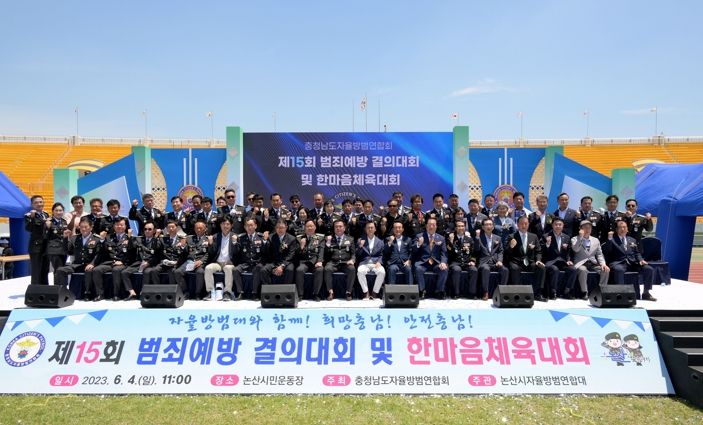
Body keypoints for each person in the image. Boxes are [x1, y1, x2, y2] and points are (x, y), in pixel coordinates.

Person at [603, 220, 657, 301]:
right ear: (616, 229)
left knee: (648, 269)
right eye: (620, 227)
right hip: (619, 263)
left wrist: (641, 260)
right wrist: (609, 239)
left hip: (632, 263)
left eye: (624, 227)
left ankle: (646, 293)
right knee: (619, 270)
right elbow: (607, 250)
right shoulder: (612, 239)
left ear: (627, 229)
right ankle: (620, 293)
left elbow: (637, 253)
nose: (622, 229)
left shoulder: (632, 240)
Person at [54, 217, 104, 300]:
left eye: (86, 227)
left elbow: (99, 254)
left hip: (90, 264)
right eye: (81, 227)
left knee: (88, 270)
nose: (83, 229)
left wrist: (92, 263)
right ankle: (62, 293)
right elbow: (67, 251)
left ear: (91, 227)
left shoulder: (97, 239)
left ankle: (87, 293)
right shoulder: (75, 238)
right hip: (77, 264)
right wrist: (65, 238)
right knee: (60, 270)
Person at [90, 217, 136, 301]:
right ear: (114, 226)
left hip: (123, 262)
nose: (119, 226)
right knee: (96, 270)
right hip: (110, 262)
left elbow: (132, 253)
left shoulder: (130, 237)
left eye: (121, 225)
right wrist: (102, 240)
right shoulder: (108, 237)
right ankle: (100, 294)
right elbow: (101, 251)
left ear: (125, 226)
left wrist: (122, 261)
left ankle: (116, 294)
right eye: (117, 225)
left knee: (116, 270)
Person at [505, 216, 547, 301]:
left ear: (528, 224)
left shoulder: (534, 236)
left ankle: (537, 293)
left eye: (526, 224)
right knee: (514, 268)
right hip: (516, 262)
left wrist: (538, 260)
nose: (523, 226)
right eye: (521, 224)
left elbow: (538, 251)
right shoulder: (512, 236)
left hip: (530, 262)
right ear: (517, 225)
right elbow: (506, 253)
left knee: (541, 268)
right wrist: (511, 247)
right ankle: (517, 293)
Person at [119, 223, 162, 300]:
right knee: (124, 272)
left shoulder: (157, 240)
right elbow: (131, 247)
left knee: (147, 272)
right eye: (145, 229)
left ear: (154, 230)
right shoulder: (139, 239)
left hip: (151, 262)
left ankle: (143, 292)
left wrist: (148, 263)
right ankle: (132, 293)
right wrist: (129, 237)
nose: (147, 231)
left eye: (149, 229)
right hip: (140, 262)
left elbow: (157, 254)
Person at [143, 220, 189, 288]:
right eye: (169, 227)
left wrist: (182, 246)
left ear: (177, 228)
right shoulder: (163, 239)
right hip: (165, 262)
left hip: (176, 262)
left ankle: (176, 291)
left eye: (172, 227)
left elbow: (186, 253)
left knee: (172, 272)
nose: (171, 229)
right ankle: (157, 289)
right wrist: (156, 236)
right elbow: (154, 247)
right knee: (154, 271)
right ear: (167, 229)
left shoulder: (182, 239)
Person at [172, 220, 211, 299]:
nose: (198, 230)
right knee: (177, 272)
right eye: (196, 228)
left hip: (201, 262)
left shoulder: (208, 239)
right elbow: (185, 251)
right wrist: (182, 246)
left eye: (200, 228)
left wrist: (201, 261)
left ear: (205, 229)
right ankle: (185, 292)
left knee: (200, 272)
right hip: (189, 262)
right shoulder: (189, 238)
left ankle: (198, 293)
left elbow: (209, 253)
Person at [571, 220, 610, 299]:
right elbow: (576, 249)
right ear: (580, 229)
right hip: (581, 263)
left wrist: (603, 264)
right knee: (582, 270)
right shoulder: (574, 239)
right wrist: (580, 237)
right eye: (585, 227)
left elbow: (599, 254)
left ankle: (601, 291)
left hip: (592, 263)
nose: (588, 229)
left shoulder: (596, 240)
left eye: (589, 227)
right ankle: (584, 292)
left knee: (606, 270)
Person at [541, 218, 577, 299]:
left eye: (560, 225)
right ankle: (553, 292)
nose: (558, 226)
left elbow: (569, 251)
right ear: (552, 225)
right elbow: (542, 252)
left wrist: (569, 260)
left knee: (573, 270)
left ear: (563, 226)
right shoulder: (546, 236)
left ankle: (567, 291)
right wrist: (547, 244)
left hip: (563, 262)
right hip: (550, 261)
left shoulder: (567, 237)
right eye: (556, 224)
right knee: (555, 269)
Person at [413, 217, 448, 299]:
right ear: (426, 226)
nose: (431, 227)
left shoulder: (441, 238)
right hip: (423, 263)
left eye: (433, 225)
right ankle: (422, 291)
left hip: (436, 263)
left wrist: (443, 262)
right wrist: (418, 244)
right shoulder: (419, 236)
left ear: (436, 226)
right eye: (429, 225)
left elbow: (444, 253)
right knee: (418, 269)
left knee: (444, 270)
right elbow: (413, 250)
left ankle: (439, 291)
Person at [204, 216, 239, 301]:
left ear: (231, 225)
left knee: (228, 268)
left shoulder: (235, 236)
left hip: (229, 263)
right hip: (218, 263)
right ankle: (210, 292)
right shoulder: (216, 236)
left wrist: (235, 242)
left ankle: (227, 292)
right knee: (208, 268)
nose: (225, 226)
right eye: (223, 224)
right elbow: (212, 253)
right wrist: (210, 244)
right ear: (220, 225)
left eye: (227, 224)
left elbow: (237, 253)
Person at [474, 218, 509, 299]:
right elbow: (476, 250)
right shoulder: (479, 237)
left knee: (505, 270)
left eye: (490, 224)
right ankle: (485, 292)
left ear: (493, 227)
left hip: (495, 262)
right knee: (486, 269)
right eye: (486, 225)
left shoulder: (498, 238)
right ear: (483, 227)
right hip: (484, 262)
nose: (488, 226)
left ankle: (502, 292)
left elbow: (500, 251)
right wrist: (477, 237)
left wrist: (500, 260)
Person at [323, 220, 356, 301]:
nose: (338, 228)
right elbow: (325, 254)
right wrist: (328, 243)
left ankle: (348, 292)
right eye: (336, 227)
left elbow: (353, 253)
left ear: (344, 228)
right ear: (334, 229)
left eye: (340, 226)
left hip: (346, 262)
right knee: (327, 269)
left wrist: (352, 260)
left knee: (352, 269)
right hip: (333, 262)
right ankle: (330, 292)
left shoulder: (350, 239)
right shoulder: (329, 238)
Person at [261, 220, 298, 288]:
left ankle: (286, 290)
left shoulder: (292, 239)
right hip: (274, 262)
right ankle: (268, 289)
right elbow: (266, 252)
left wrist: (282, 266)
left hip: (286, 262)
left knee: (290, 269)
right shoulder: (271, 237)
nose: (280, 229)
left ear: (286, 227)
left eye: (282, 228)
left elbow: (291, 255)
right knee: (264, 270)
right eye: (277, 228)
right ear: (275, 228)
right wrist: (265, 241)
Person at [447, 220, 478, 299]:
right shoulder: (451, 238)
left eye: (462, 226)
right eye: (459, 226)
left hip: (467, 262)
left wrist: (472, 261)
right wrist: (451, 242)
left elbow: (474, 252)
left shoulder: (469, 239)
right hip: (455, 262)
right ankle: (456, 293)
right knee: (456, 270)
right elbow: (448, 252)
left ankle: (472, 293)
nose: (461, 228)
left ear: (465, 227)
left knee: (474, 270)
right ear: (455, 228)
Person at [295, 219, 326, 300]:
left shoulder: (320, 238)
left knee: (320, 270)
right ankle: (300, 294)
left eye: (311, 226)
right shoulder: (299, 238)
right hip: (304, 262)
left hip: (315, 262)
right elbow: (296, 254)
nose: (309, 228)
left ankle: (316, 294)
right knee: (299, 270)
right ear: (304, 228)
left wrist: (319, 261)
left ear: (315, 227)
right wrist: (301, 246)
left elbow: (321, 251)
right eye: (307, 226)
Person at [355, 221, 385, 299]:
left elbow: (382, 254)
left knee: (382, 272)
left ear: (375, 229)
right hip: (364, 263)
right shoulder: (360, 240)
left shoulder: (380, 241)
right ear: (365, 229)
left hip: (376, 263)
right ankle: (366, 292)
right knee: (360, 271)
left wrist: (379, 262)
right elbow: (357, 254)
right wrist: (360, 246)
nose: (370, 229)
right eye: (368, 228)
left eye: (372, 227)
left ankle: (375, 292)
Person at [24, 195, 49, 285]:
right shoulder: (28, 215)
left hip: (46, 246)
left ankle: (45, 288)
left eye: (40, 202)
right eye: (36, 202)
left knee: (45, 269)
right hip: (36, 246)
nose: (39, 204)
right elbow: (29, 228)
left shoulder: (46, 214)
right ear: (32, 204)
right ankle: (35, 290)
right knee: (36, 270)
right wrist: (32, 217)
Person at [44, 202, 69, 277]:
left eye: (60, 210)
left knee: (62, 269)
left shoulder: (64, 221)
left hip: (63, 249)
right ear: (53, 211)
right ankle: (58, 284)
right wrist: (47, 227)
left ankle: (61, 284)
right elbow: (45, 236)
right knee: (58, 269)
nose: (58, 212)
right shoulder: (49, 222)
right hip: (54, 250)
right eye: (56, 210)